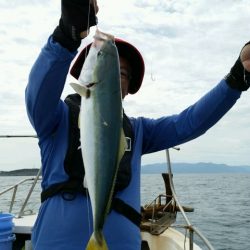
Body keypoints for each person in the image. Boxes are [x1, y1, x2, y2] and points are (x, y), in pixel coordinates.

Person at [25, 0, 250, 250]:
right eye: (106, 63)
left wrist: (236, 79)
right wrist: (66, 35)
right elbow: (39, 90)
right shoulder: (55, 118)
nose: (112, 74)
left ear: (128, 88)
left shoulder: (139, 130)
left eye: (120, 73)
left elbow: (190, 122)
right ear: (81, 74)